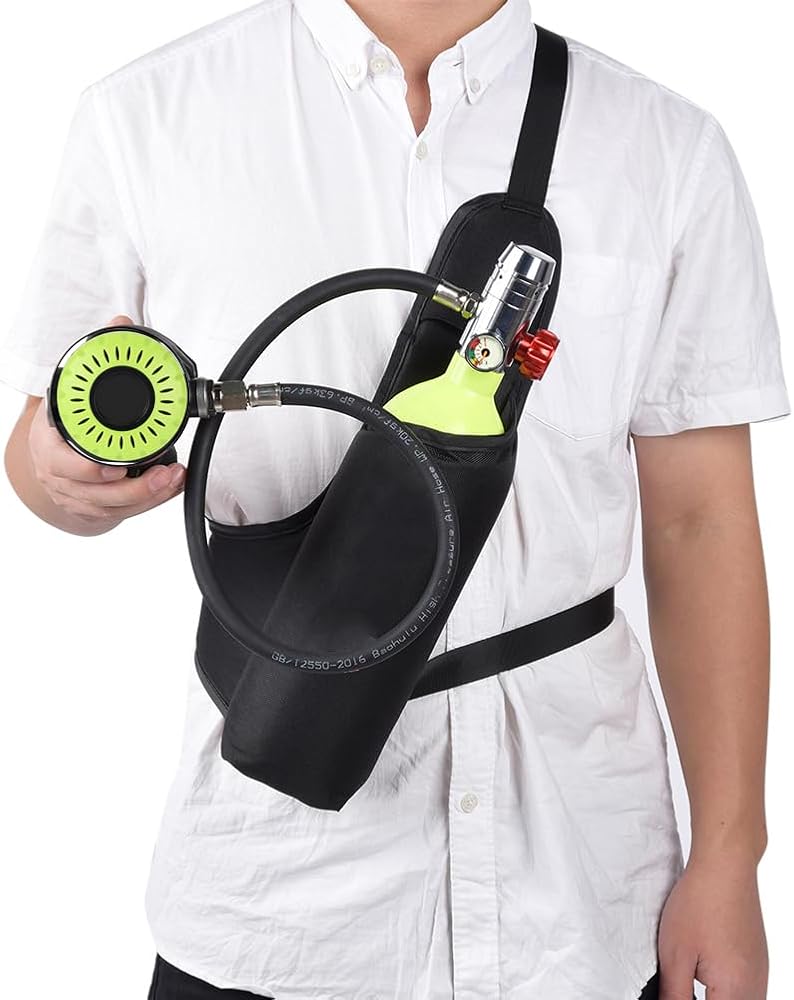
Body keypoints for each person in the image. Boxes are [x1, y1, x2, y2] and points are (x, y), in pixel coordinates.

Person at [1, 0, 788, 997]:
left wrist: (730, 853)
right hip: (271, 890)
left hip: (582, 896)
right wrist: (63, 480)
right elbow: (42, 449)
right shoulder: (147, 115)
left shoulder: (664, 147)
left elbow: (699, 521)